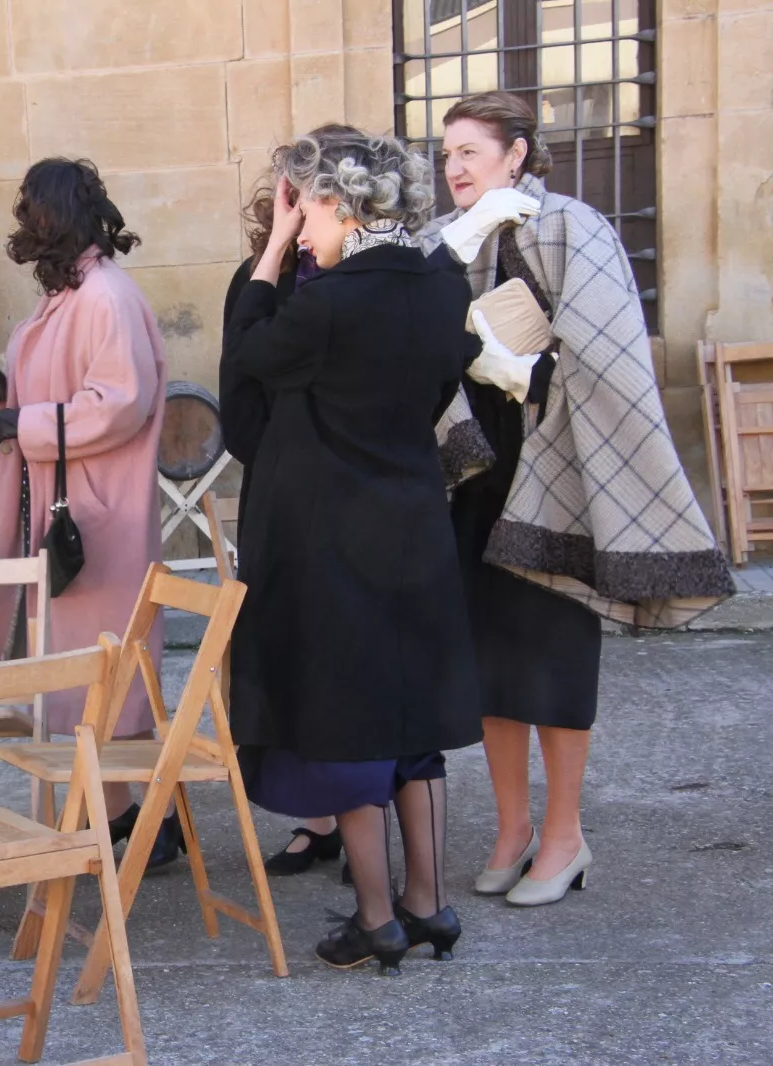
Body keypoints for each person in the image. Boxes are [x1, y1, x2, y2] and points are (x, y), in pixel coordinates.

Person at [420, 92, 735, 907]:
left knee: (553, 659)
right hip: (477, 470)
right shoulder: (444, 242)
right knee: (488, 663)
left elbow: (614, 358)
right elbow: (413, 339)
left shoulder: (572, 227)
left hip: (562, 463)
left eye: (469, 150)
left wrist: (524, 373)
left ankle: (564, 836)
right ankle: (512, 828)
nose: (453, 166)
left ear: (516, 153)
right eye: (447, 152)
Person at [220, 129, 480, 974]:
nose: (303, 229)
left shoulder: (328, 302)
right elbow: (444, 381)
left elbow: (249, 353)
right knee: (411, 722)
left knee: (351, 727)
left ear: (335, 203)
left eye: (307, 210)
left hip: (337, 537)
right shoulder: (442, 284)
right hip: (414, 519)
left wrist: (272, 254)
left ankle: (377, 917)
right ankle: (429, 903)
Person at [0, 158, 173, 862]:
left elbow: (118, 401)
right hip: (62, 502)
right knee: (87, 674)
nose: (21, 220)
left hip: (94, 511)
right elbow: (57, 384)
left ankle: (139, 822)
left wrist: (26, 423)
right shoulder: (72, 293)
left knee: (105, 677)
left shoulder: (103, 294)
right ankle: (126, 820)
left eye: (28, 209)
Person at [221, 151, 344, 883]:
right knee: (293, 660)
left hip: (355, 502)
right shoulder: (257, 282)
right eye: (284, 193)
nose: (291, 206)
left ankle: (363, 816)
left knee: (351, 665)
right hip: (284, 501)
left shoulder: (362, 281)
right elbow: (241, 409)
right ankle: (321, 817)